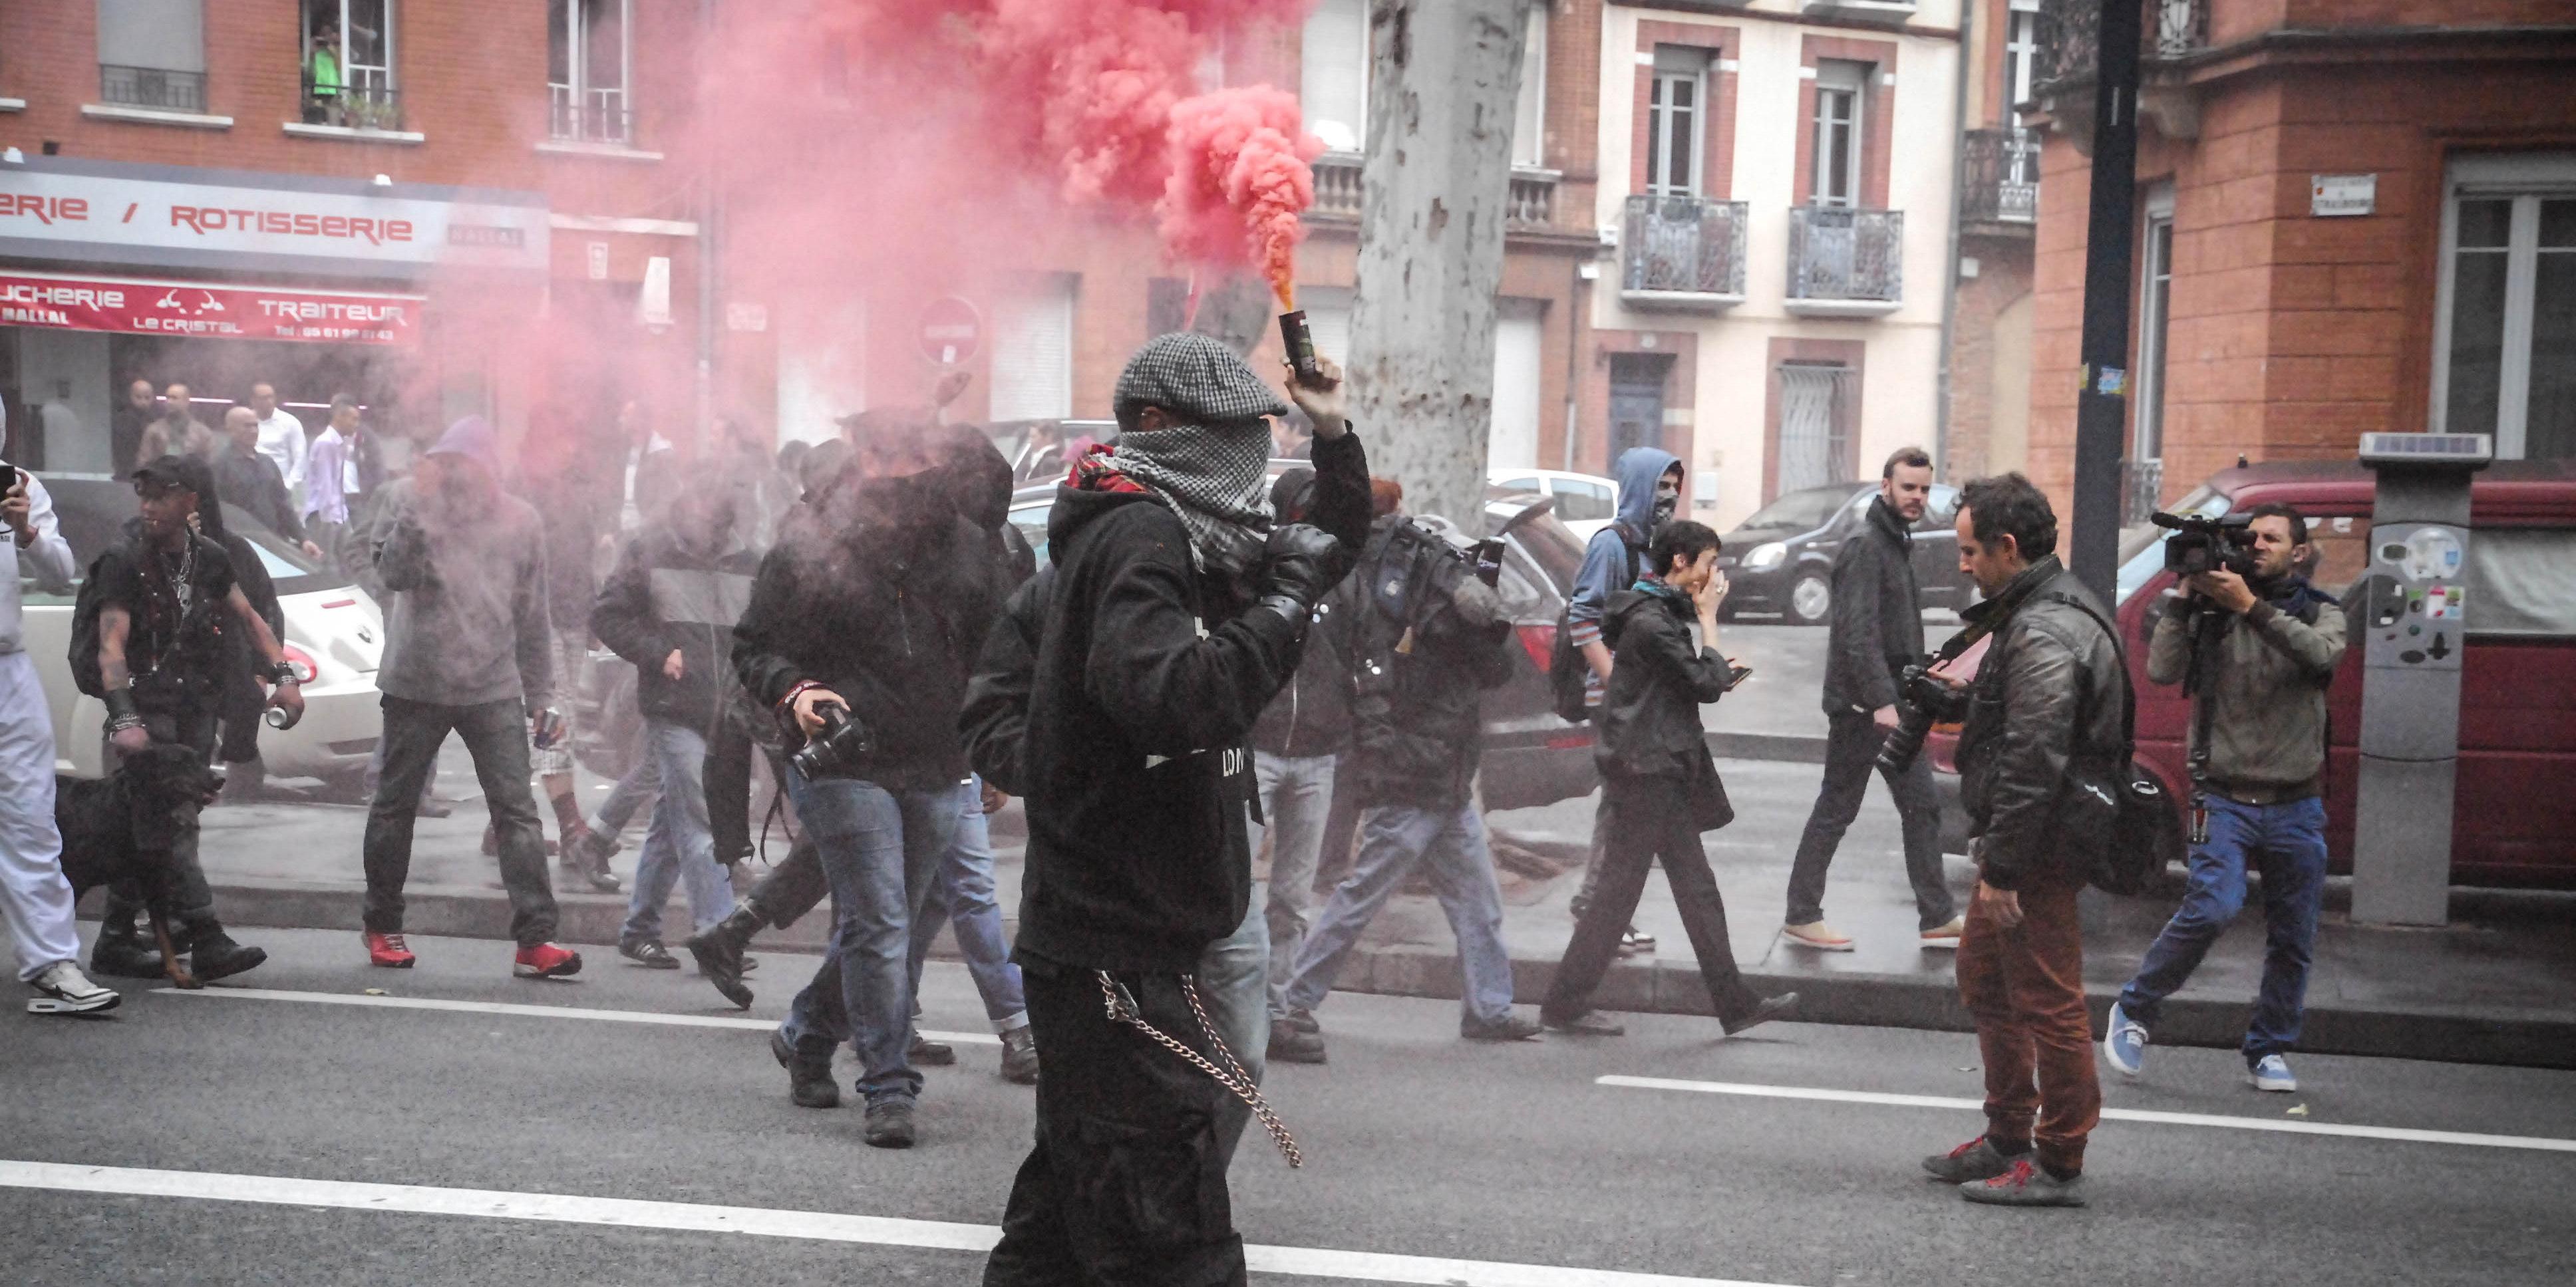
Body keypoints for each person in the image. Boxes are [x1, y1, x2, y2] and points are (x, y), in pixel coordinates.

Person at [981, 335, 1365, 1284]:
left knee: (1066, 1224)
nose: (1249, 458)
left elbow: (1326, 546)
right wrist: (1279, 610)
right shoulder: (1140, 533)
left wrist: (1332, 434)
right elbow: (1177, 695)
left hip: (1141, 925)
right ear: (1156, 426)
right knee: (1168, 1229)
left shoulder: (1189, 534)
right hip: (1119, 936)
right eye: (1231, 437)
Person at [733, 408, 1007, 1149]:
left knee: (888, 930)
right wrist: (795, 691)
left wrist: (993, 746)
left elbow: (996, 656)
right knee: (882, 926)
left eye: (916, 451)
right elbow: (753, 647)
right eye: (886, 451)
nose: (899, 468)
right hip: (844, 762)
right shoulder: (811, 538)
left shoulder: (967, 544)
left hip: (937, 760)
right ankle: (888, 1086)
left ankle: (805, 1034)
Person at [1273, 500, 1541, 1060]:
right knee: (1363, 896)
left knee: (1475, 900)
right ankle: (1295, 1000)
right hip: (1418, 778)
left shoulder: (1415, 610)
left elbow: (1488, 670)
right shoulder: (1422, 619)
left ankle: (1489, 1008)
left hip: (1441, 779)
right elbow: (1490, 670)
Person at [1920, 473, 2120, 1209]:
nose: (1964, 564)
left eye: (1971, 551)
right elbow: (2029, 714)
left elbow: (2036, 756)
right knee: (1985, 980)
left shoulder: (2040, 626)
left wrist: (2000, 871)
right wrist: (1962, 701)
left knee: (2046, 999)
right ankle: (2006, 1135)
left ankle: (2057, 1158)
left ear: (2007, 546)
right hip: (2026, 837)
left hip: (2035, 846)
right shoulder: (2044, 605)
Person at [2105, 502, 2345, 1093]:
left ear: (2300, 551)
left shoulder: (2322, 611)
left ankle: (2269, 1047)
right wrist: (2187, 597)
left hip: (2295, 799)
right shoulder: (2211, 612)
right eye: (2250, 536)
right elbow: (2161, 670)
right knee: (2213, 905)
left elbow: (2322, 657)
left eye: (2271, 537)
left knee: (2294, 932)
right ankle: (2134, 1009)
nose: (2257, 544)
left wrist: (2251, 607)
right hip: (2223, 794)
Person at [1541, 519, 1800, 1040]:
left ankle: (1734, 1003)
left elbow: (1690, 677)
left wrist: (1702, 631)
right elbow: (1705, 683)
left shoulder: (1650, 612)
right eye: (1707, 562)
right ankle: (1564, 1004)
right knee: (1623, 892)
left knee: (1692, 888)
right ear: (1680, 562)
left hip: (1653, 765)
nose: (1713, 573)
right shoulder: (1651, 623)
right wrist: (1710, 620)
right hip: (1647, 769)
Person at [354, 416, 582, 979]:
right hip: (416, 682)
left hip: (492, 684)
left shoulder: (521, 520)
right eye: (449, 466)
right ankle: (382, 924)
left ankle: (536, 938)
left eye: (468, 468)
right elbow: (392, 575)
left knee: (517, 812)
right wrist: (417, 510)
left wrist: (543, 692)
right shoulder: (411, 500)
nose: (459, 479)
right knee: (394, 805)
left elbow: (533, 612)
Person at [84, 456, 302, 983]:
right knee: (170, 823)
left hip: (193, 708)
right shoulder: (124, 558)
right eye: (145, 495)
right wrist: (124, 717)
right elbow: (110, 645)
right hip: (146, 711)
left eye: (163, 495)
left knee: (155, 829)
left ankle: (115, 939)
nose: (150, 506)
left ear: (192, 502)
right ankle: (206, 936)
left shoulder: (208, 558)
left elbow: (251, 618)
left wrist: (285, 677)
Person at [1781, 446, 1963, 951]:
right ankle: (1802, 912)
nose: (1918, 497)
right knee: (1840, 806)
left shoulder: (1893, 541)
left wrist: (1924, 672)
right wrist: (1883, 700)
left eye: (1924, 489)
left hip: (1888, 703)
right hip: (1866, 709)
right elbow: (1856, 634)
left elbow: (1890, 630)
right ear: (1886, 486)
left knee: (1920, 805)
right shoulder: (1867, 544)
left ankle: (1937, 914)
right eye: (1908, 487)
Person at [590, 482, 758, 968]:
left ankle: (639, 928)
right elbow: (608, 615)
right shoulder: (649, 553)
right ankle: (718, 933)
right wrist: (658, 652)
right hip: (674, 707)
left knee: (673, 818)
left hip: (728, 713)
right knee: (704, 815)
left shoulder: (749, 561)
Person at [1240, 468, 1353, 1064]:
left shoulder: (1339, 580)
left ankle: (1277, 1007)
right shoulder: (1259, 570)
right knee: (1232, 884)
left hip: (1316, 755)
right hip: (1257, 749)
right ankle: (1230, 1004)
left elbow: (1362, 654)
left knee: (1292, 896)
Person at [1, 462, 120, 1013]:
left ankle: (52, 962)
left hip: (9, 669)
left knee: (31, 817)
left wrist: (25, 533)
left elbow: (59, 571)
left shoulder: (19, 484)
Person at [1563, 446, 1685, 956]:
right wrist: (1618, 685)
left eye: (1676, 486)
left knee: (1625, 807)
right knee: (1622, 807)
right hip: (1615, 701)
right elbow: (1582, 618)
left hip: (1639, 700)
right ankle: (1598, 908)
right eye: (1661, 486)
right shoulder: (1610, 546)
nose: (1671, 496)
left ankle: (1602, 907)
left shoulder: (1649, 547)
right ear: (1638, 487)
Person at [513, 408, 621, 892]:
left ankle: (502, 824)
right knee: (553, 722)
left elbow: (586, 557)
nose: (571, 450)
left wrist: (595, 612)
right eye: (562, 440)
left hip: (573, 615)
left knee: (552, 721)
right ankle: (572, 825)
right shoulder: (521, 493)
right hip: (538, 620)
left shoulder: (574, 491)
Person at [210, 406, 321, 555]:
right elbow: (217, 513)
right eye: (247, 426)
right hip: (242, 549)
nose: (253, 431)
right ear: (231, 429)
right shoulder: (219, 466)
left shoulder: (267, 463)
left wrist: (304, 539)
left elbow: (284, 506)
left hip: (275, 544)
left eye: (255, 425)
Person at [246, 382, 309, 497]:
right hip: (251, 487)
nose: (269, 401)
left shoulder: (290, 422)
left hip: (282, 487)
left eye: (271, 397)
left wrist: (290, 484)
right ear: (253, 401)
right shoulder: (246, 422)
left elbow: (300, 456)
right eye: (264, 398)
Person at [136, 382, 216, 466]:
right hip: (161, 477)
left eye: (174, 398)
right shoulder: (154, 430)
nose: (169, 402)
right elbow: (143, 463)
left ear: (186, 401)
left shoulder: (202, 433)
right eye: (168, 398)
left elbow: (209, 465)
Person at [111, 378, 159, 482]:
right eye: (138, 397)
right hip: (127, 476)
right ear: (130, 397)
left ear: (153, 398)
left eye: (147, 398)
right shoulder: (122, 420)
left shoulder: (154, 421)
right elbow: (122, 453)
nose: (143, 402)